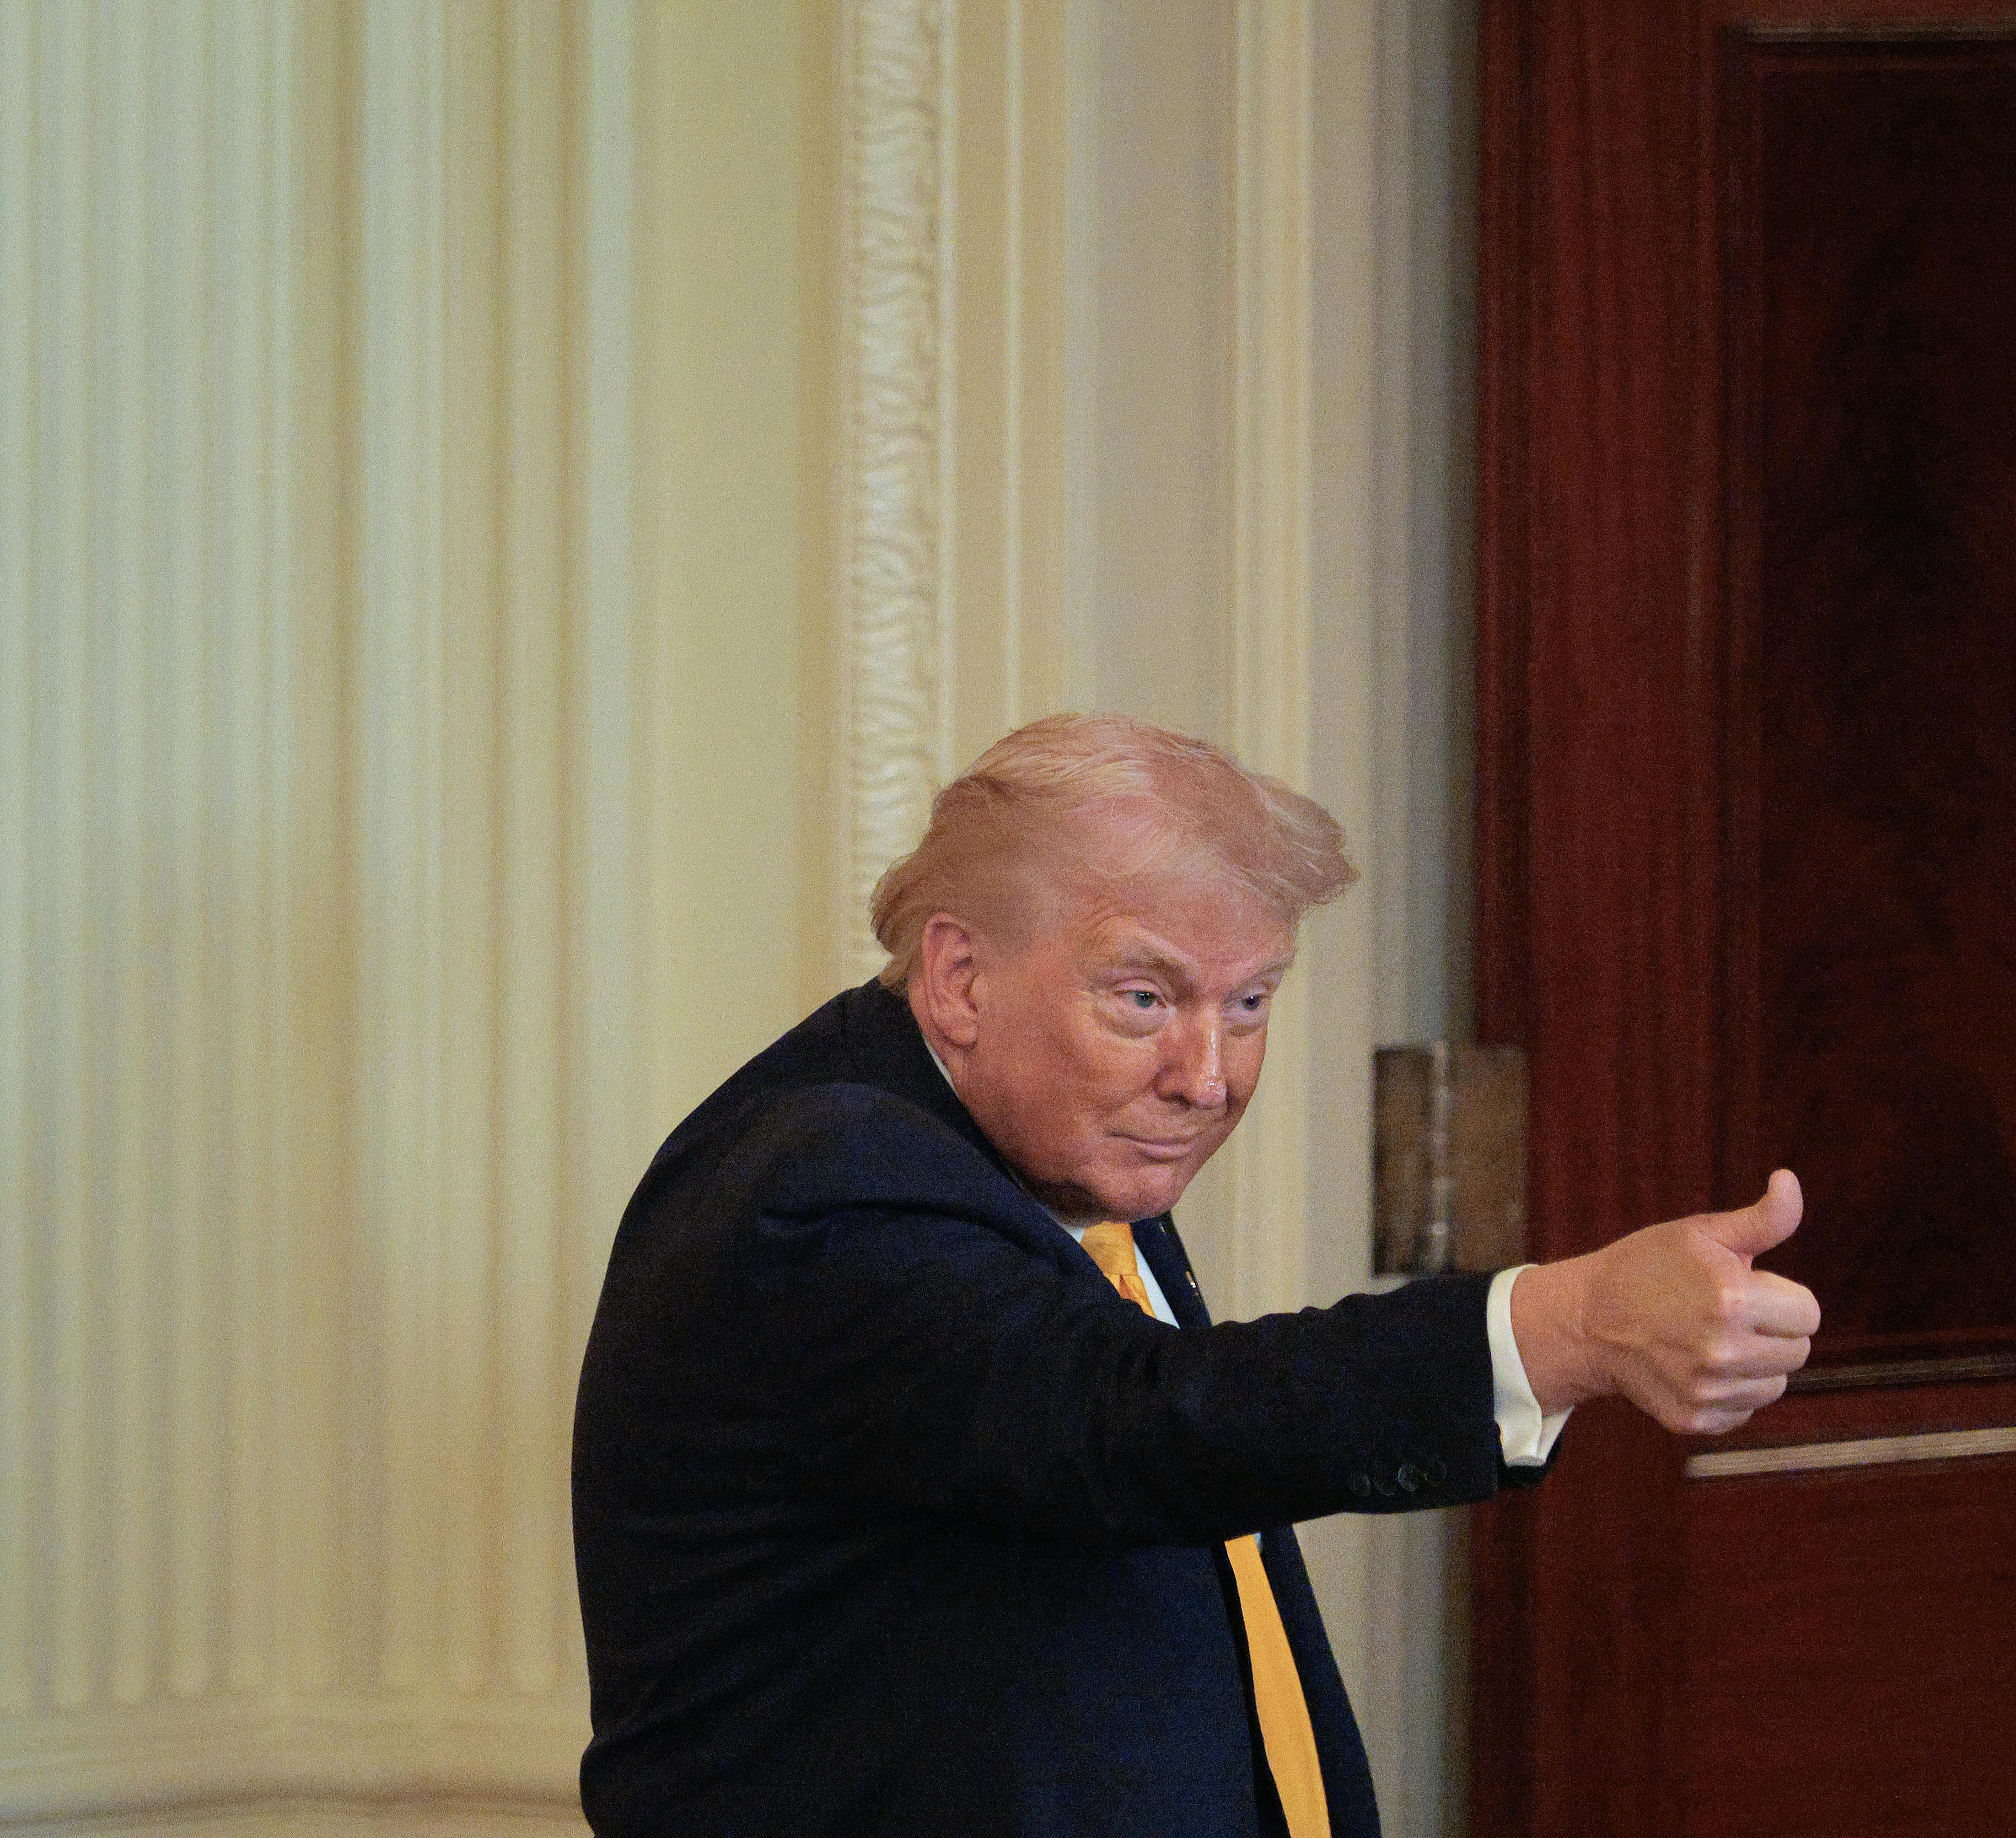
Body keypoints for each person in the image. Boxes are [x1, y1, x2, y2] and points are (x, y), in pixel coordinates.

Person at [571, 713, 1819, 1838]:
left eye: (1248, 1003)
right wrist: (1563, 1325)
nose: (1205, 1076)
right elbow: (1128, 1425)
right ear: (958, 978)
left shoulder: (1055, 1145)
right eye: (1141, 996)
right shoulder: (828, 1182)